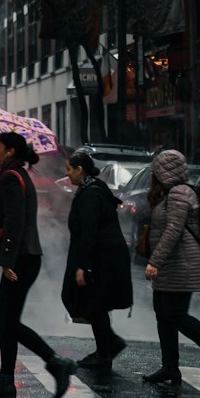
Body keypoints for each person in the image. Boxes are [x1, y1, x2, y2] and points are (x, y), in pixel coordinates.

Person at [0, 130, 76, 398]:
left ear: (9, 152)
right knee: (5, 319)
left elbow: (15, 223)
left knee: (7, 320)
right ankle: (6, 381)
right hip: (24, 257)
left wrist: (7, 262)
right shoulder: (11, 175)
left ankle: (55, 362)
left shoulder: (10, 178)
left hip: (22, 258)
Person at [143, 148, 200, 386]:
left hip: (182, 264)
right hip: (173, 264)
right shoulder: (172, 192)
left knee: (175, 314)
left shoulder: (178, 194)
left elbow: (173, 230)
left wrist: (155, 262)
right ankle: (170, 368)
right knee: (163, 314)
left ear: (163, 171)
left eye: (155, 170)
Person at [62, 151, 132, 368]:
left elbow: (89, 232)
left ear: (79, 170)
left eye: (69, 169)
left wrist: (83, 266)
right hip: (103, 256)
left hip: (102, 258)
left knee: (93, 305)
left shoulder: (90, 193)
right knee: (94, 304)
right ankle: (108, 346)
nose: (67, 174)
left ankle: (105, 352)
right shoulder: (93, 188)